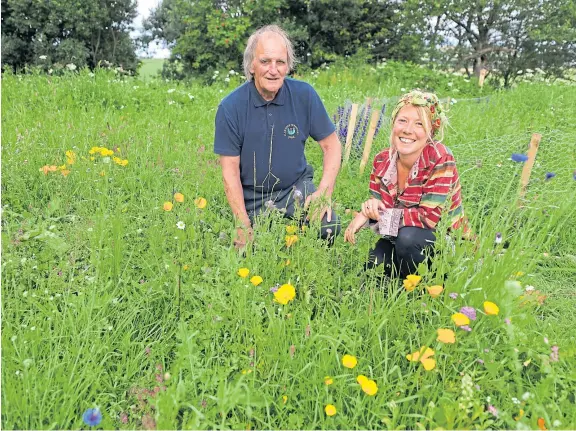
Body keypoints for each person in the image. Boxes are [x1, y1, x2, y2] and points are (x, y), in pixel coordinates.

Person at [214, 25, 342, 247]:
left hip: (296, 189)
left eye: (280, 62)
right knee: (254, 247)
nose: (273, 69)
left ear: (288, 66)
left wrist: (323, 193)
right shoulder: (230, 107)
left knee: (328, 228)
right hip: (252, 197)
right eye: (265, 61)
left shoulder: (304, 95)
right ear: (251, 65)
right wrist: (242, 223)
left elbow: (332, 145)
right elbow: (230, 171)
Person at [344, 90, 467, 278]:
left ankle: (427, 288)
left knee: (408, 239)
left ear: (431, 131)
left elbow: (428, 219)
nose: (408, 130)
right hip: (395, 236)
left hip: (441, 240)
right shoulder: (381, 160)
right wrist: (368, 210)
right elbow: (376, 204)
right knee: (374, 265)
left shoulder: (440, 159)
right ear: (393, 123)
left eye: (419, 124)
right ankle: (399, 290)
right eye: (402, 121)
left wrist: (369, 218)